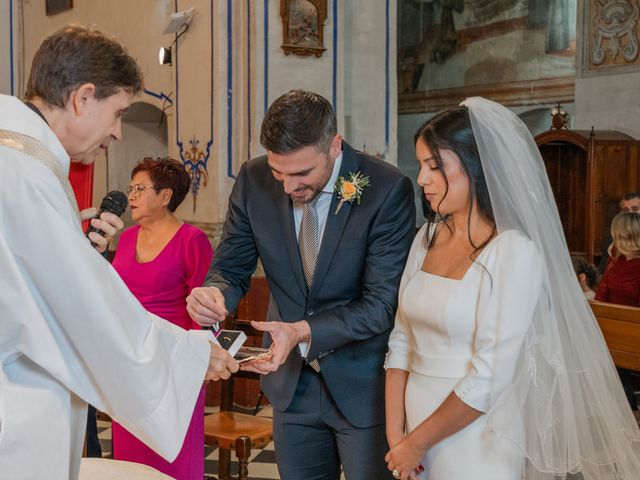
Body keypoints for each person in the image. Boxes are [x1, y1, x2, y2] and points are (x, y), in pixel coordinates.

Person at [0, 25, 238, 480]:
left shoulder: (17, 158)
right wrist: (188, 354)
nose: (117, 131)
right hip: (15, 404)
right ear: (82, 98)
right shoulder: (25, 174)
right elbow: (86, 308)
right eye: (117, 113)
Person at [384, 97, 640, 480]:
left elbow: (491, 375)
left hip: (477, 433)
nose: (421, 179)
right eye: (422, 166)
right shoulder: (426, 238)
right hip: (411, 426)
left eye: (434, 166)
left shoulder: (514, 251)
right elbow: (401, 340)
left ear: (476, 166)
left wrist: (418, 442)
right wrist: (397, 437)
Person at [187, 90, 416, 479]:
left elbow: (381, 304)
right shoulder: (254, 179)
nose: (289, 186)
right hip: (292, 387)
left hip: (363, 386)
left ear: (334, 145)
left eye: (302, 173)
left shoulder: (386, 189)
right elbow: (232, 265)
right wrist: (215, 293)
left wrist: (303, 331)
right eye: (280, 173)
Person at [111, 157, 213, 479]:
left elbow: (205, 311)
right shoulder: (125, 239)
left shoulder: (192, 240)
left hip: (175, 364)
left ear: (166, 196)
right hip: (131, 363)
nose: (131, 196)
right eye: (131, 189)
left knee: (173, 459)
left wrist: (200, 361)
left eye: (140, 189)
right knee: (130, 459)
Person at [596, 211, 640, 307]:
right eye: (615, 237)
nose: (616, 242)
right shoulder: (616, 256)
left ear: (634, 237)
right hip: (610, 315)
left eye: (621, 237)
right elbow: (603, 289)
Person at [598, 192, 640, 273]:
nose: (630, 213)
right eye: (626, 210)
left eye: (635, 209)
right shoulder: (612, 237)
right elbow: (603, 271)